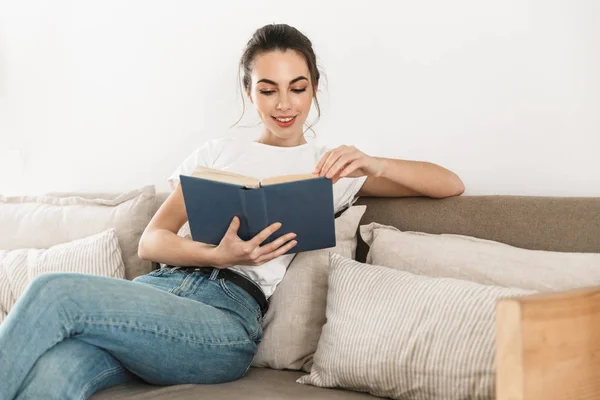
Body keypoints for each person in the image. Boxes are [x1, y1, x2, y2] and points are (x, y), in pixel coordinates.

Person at [0, 23, 464, 399]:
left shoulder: (330, 168)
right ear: (249, 92)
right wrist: (218, 254)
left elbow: (450, 184)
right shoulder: (216, 155)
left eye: (297, 88)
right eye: (268, 90)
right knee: (61, 364)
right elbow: (151, 241)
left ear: (314, 89)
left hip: (223, 323)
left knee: (53, 292)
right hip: (156, 295)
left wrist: (375, 162)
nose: (284, 104)